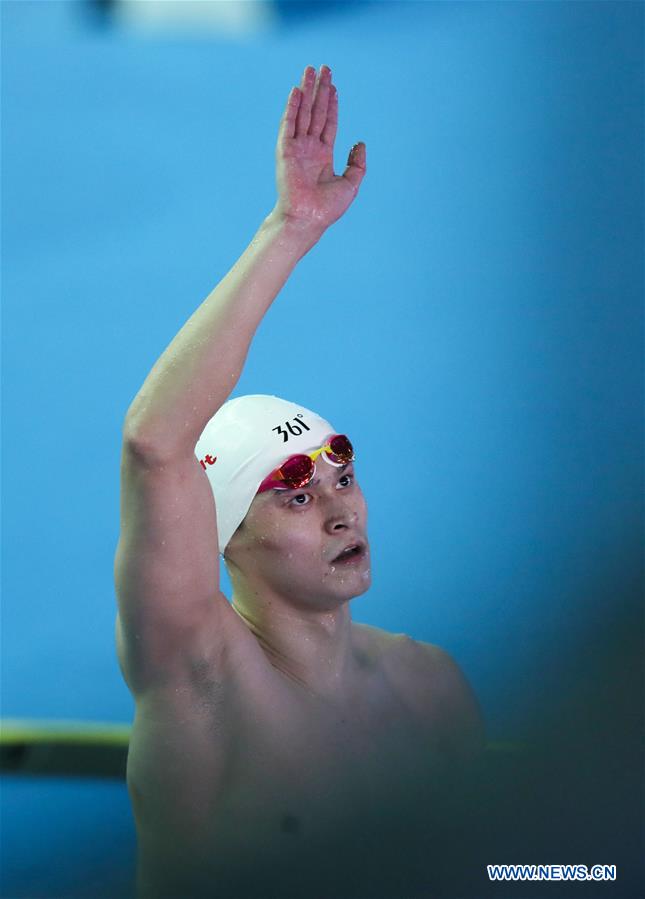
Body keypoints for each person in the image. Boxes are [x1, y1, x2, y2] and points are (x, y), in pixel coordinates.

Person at [115, 64, 484, 899]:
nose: (340, 511)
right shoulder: (200, 683)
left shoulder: (430, 686)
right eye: (294, 496)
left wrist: (591, 872)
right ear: (225, 539)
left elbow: (491, 869)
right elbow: (153, 444)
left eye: (342, 478)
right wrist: (291, 228)